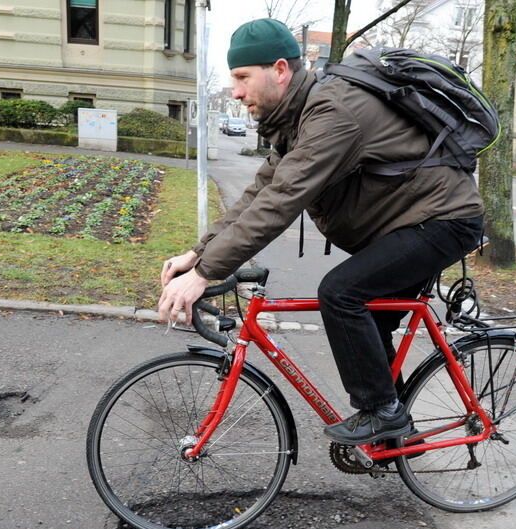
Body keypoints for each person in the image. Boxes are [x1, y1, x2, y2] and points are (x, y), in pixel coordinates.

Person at [157, 18, 484, 445]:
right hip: (409, 222)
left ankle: (384, 414)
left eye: (241, 77)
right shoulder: (299, 118)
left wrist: (204, 277)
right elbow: (260, 192)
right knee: (369, 323)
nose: (236, 91)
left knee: (341, 293)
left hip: (443, 220)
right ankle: (400, 439)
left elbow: (282, 200)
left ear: (279, 70)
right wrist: (198, 255)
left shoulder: (333, 112)